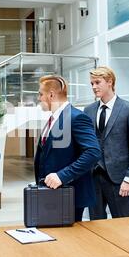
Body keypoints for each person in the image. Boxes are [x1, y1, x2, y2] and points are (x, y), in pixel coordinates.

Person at [84, 66, 129, 257]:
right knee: (97, 226)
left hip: (118, 179)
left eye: (97, 83)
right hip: (93, 177)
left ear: (110, 82)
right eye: (92, 83)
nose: (94, 87)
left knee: (123, 225)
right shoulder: (89, 110)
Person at [35, 75, 101, 221]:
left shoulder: (77, 117)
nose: (39, 98)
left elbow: (93, 152)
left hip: (69, 194)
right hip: (52, 193)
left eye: (41, 94)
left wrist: (62, 176)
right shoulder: (54, 119)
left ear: (51, 95)